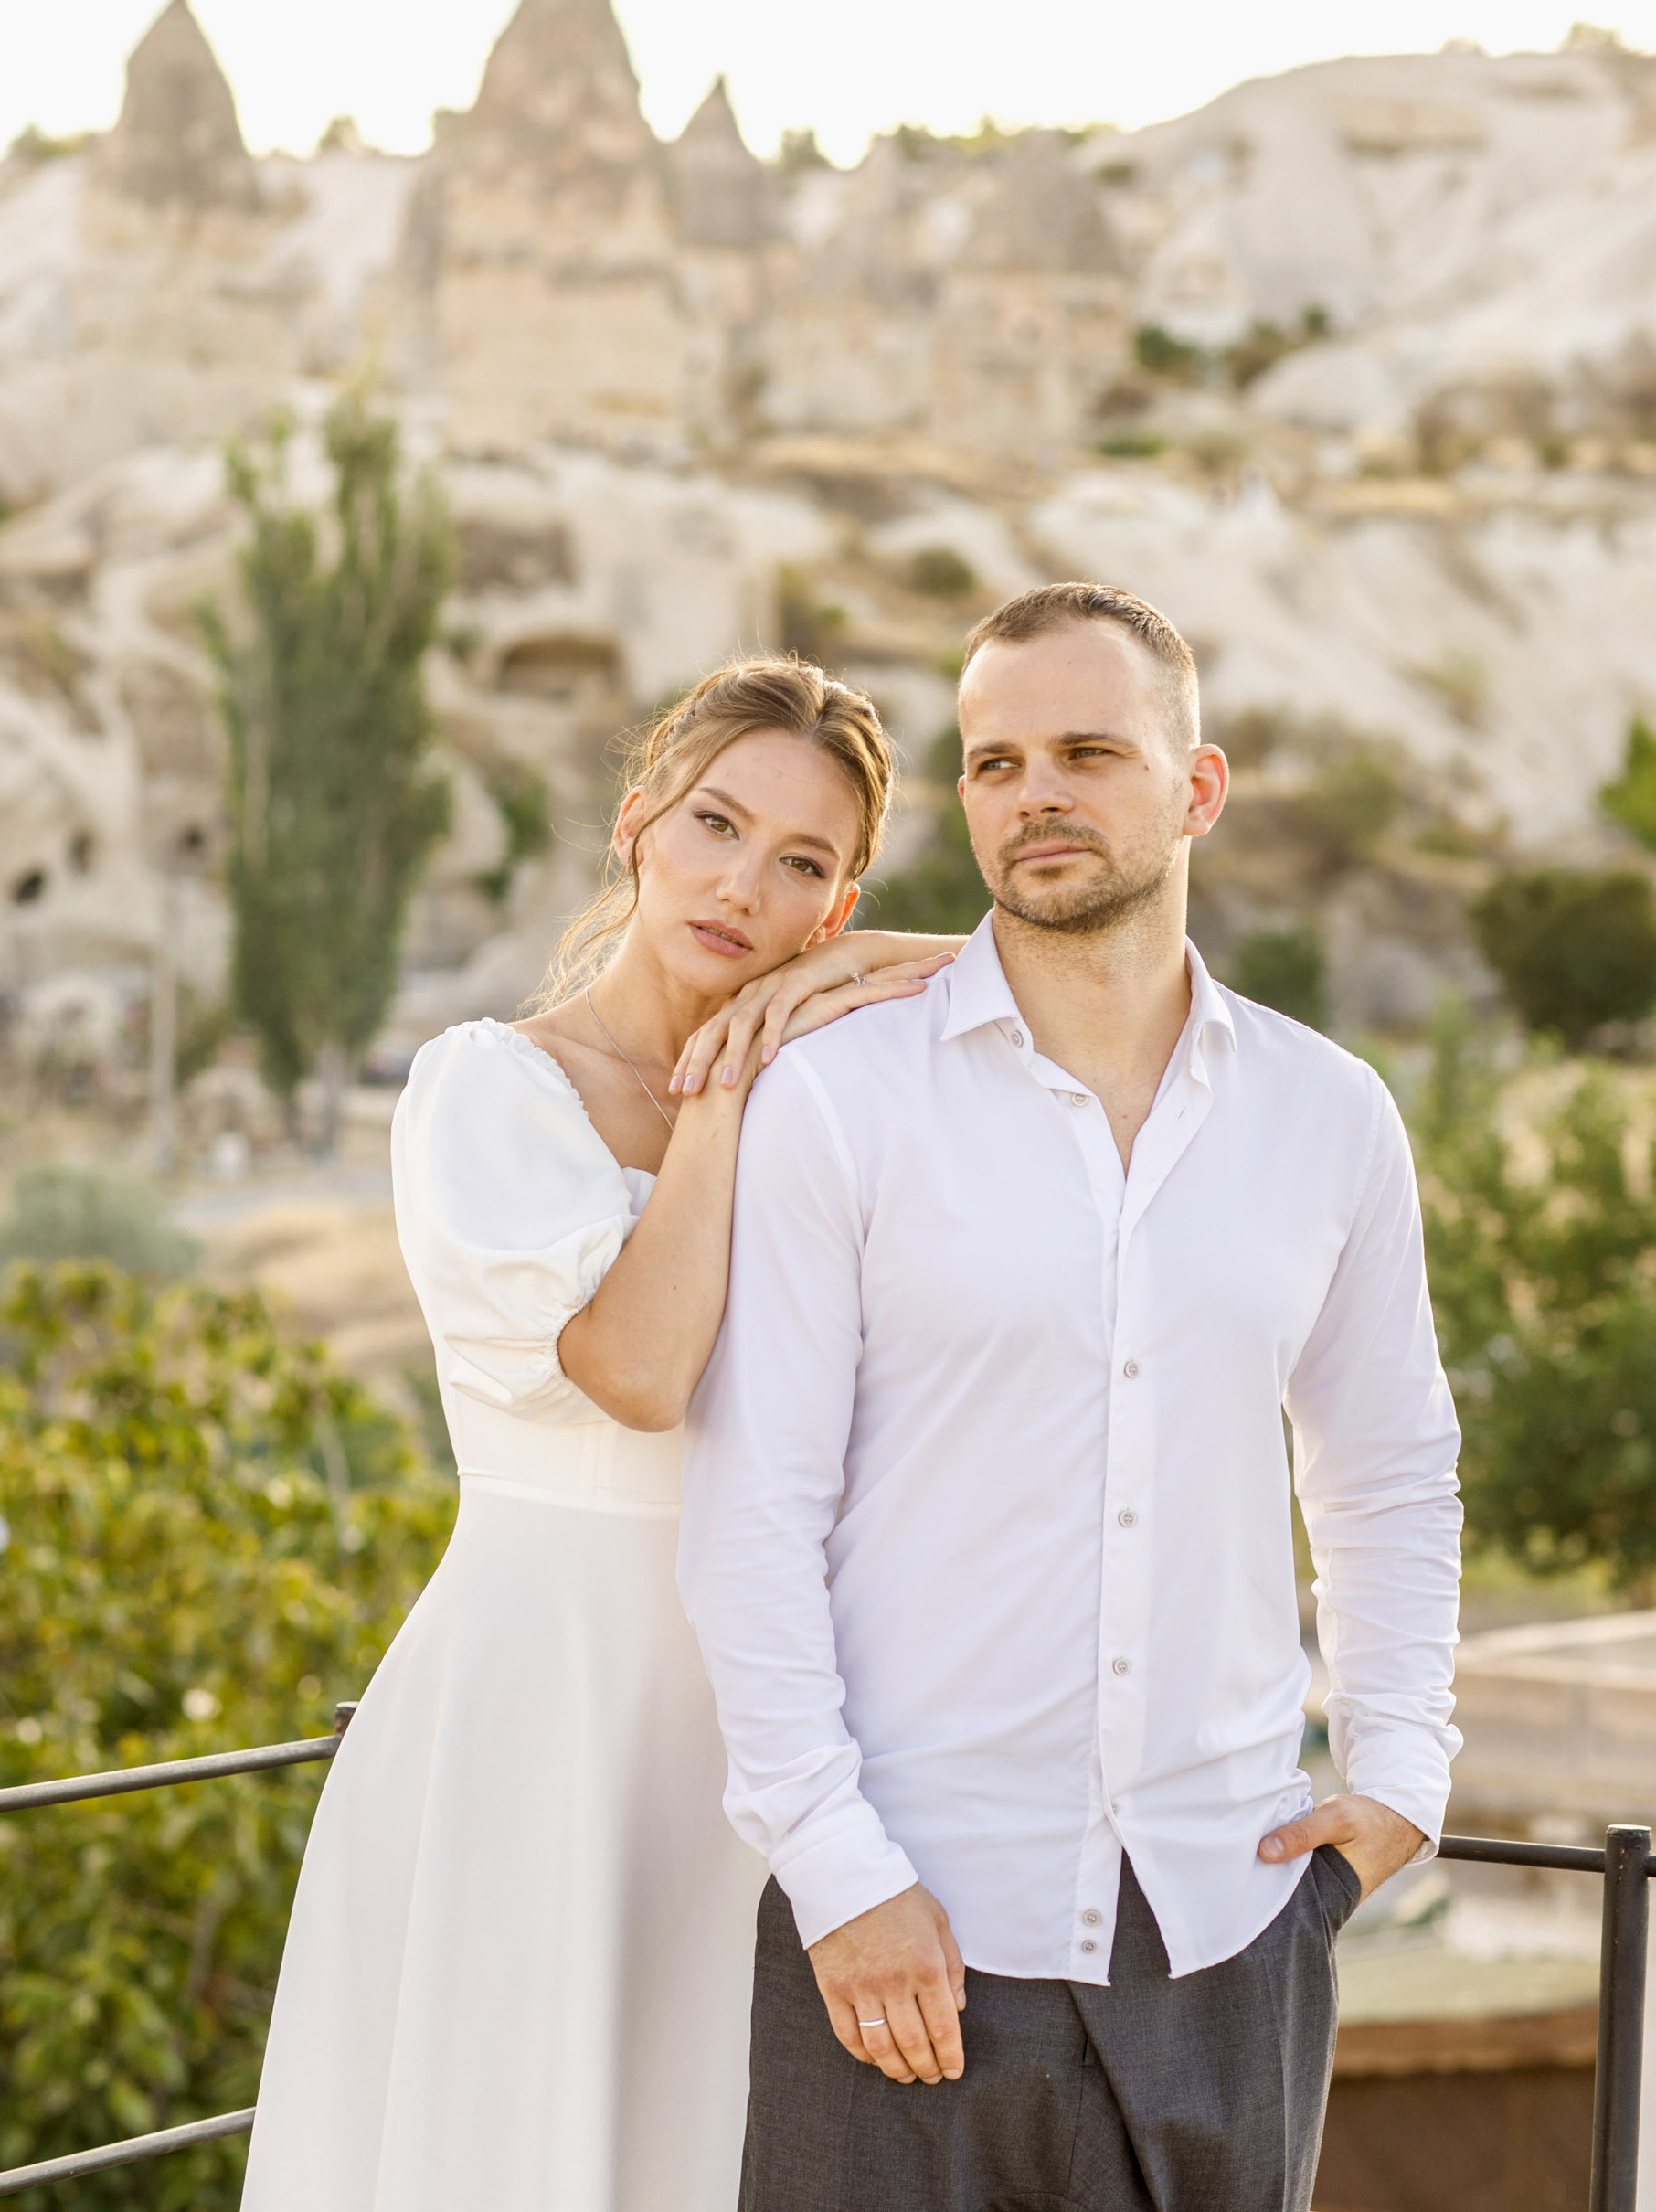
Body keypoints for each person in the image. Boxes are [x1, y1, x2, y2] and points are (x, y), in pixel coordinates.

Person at [679, 583, 1463, 2212]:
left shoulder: (1332, 1116)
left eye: (1088, 751)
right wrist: (835, 1875)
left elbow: (1384, 1467)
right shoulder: (840, 1102)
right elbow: (753, 1510)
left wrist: (1402, 1773)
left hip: (1232, 1936)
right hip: (902, 1943)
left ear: (1198, 787)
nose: (1034, 792)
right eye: (994, 761)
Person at [240, 656, 959, 2212]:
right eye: (713, 824)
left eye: (802, 867)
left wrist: (828, 991)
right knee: (519, 2137)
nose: (739, 885)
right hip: (541, 1696)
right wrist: (720, 1091)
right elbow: (637, 1372)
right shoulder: (488, 1092)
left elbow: (1042, 980)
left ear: (834, 910)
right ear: (636, 825)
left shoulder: (822, 1090)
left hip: (769, 1711)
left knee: (718, 2136)